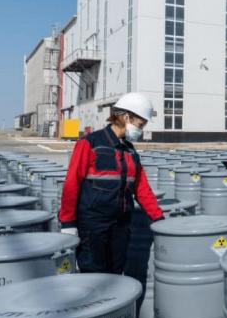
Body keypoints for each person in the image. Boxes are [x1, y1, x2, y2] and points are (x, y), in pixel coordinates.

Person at [59, 92, 163, 280]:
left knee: (115, 276)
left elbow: (141, 187)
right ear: (126, 117)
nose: (142, 129)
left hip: (121, 225)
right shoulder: (90, 143)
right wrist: (68, 223)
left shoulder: (129, 150)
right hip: (92, 226)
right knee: (93, 278)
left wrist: (158, 217)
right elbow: (72, 183)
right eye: (141, 124)